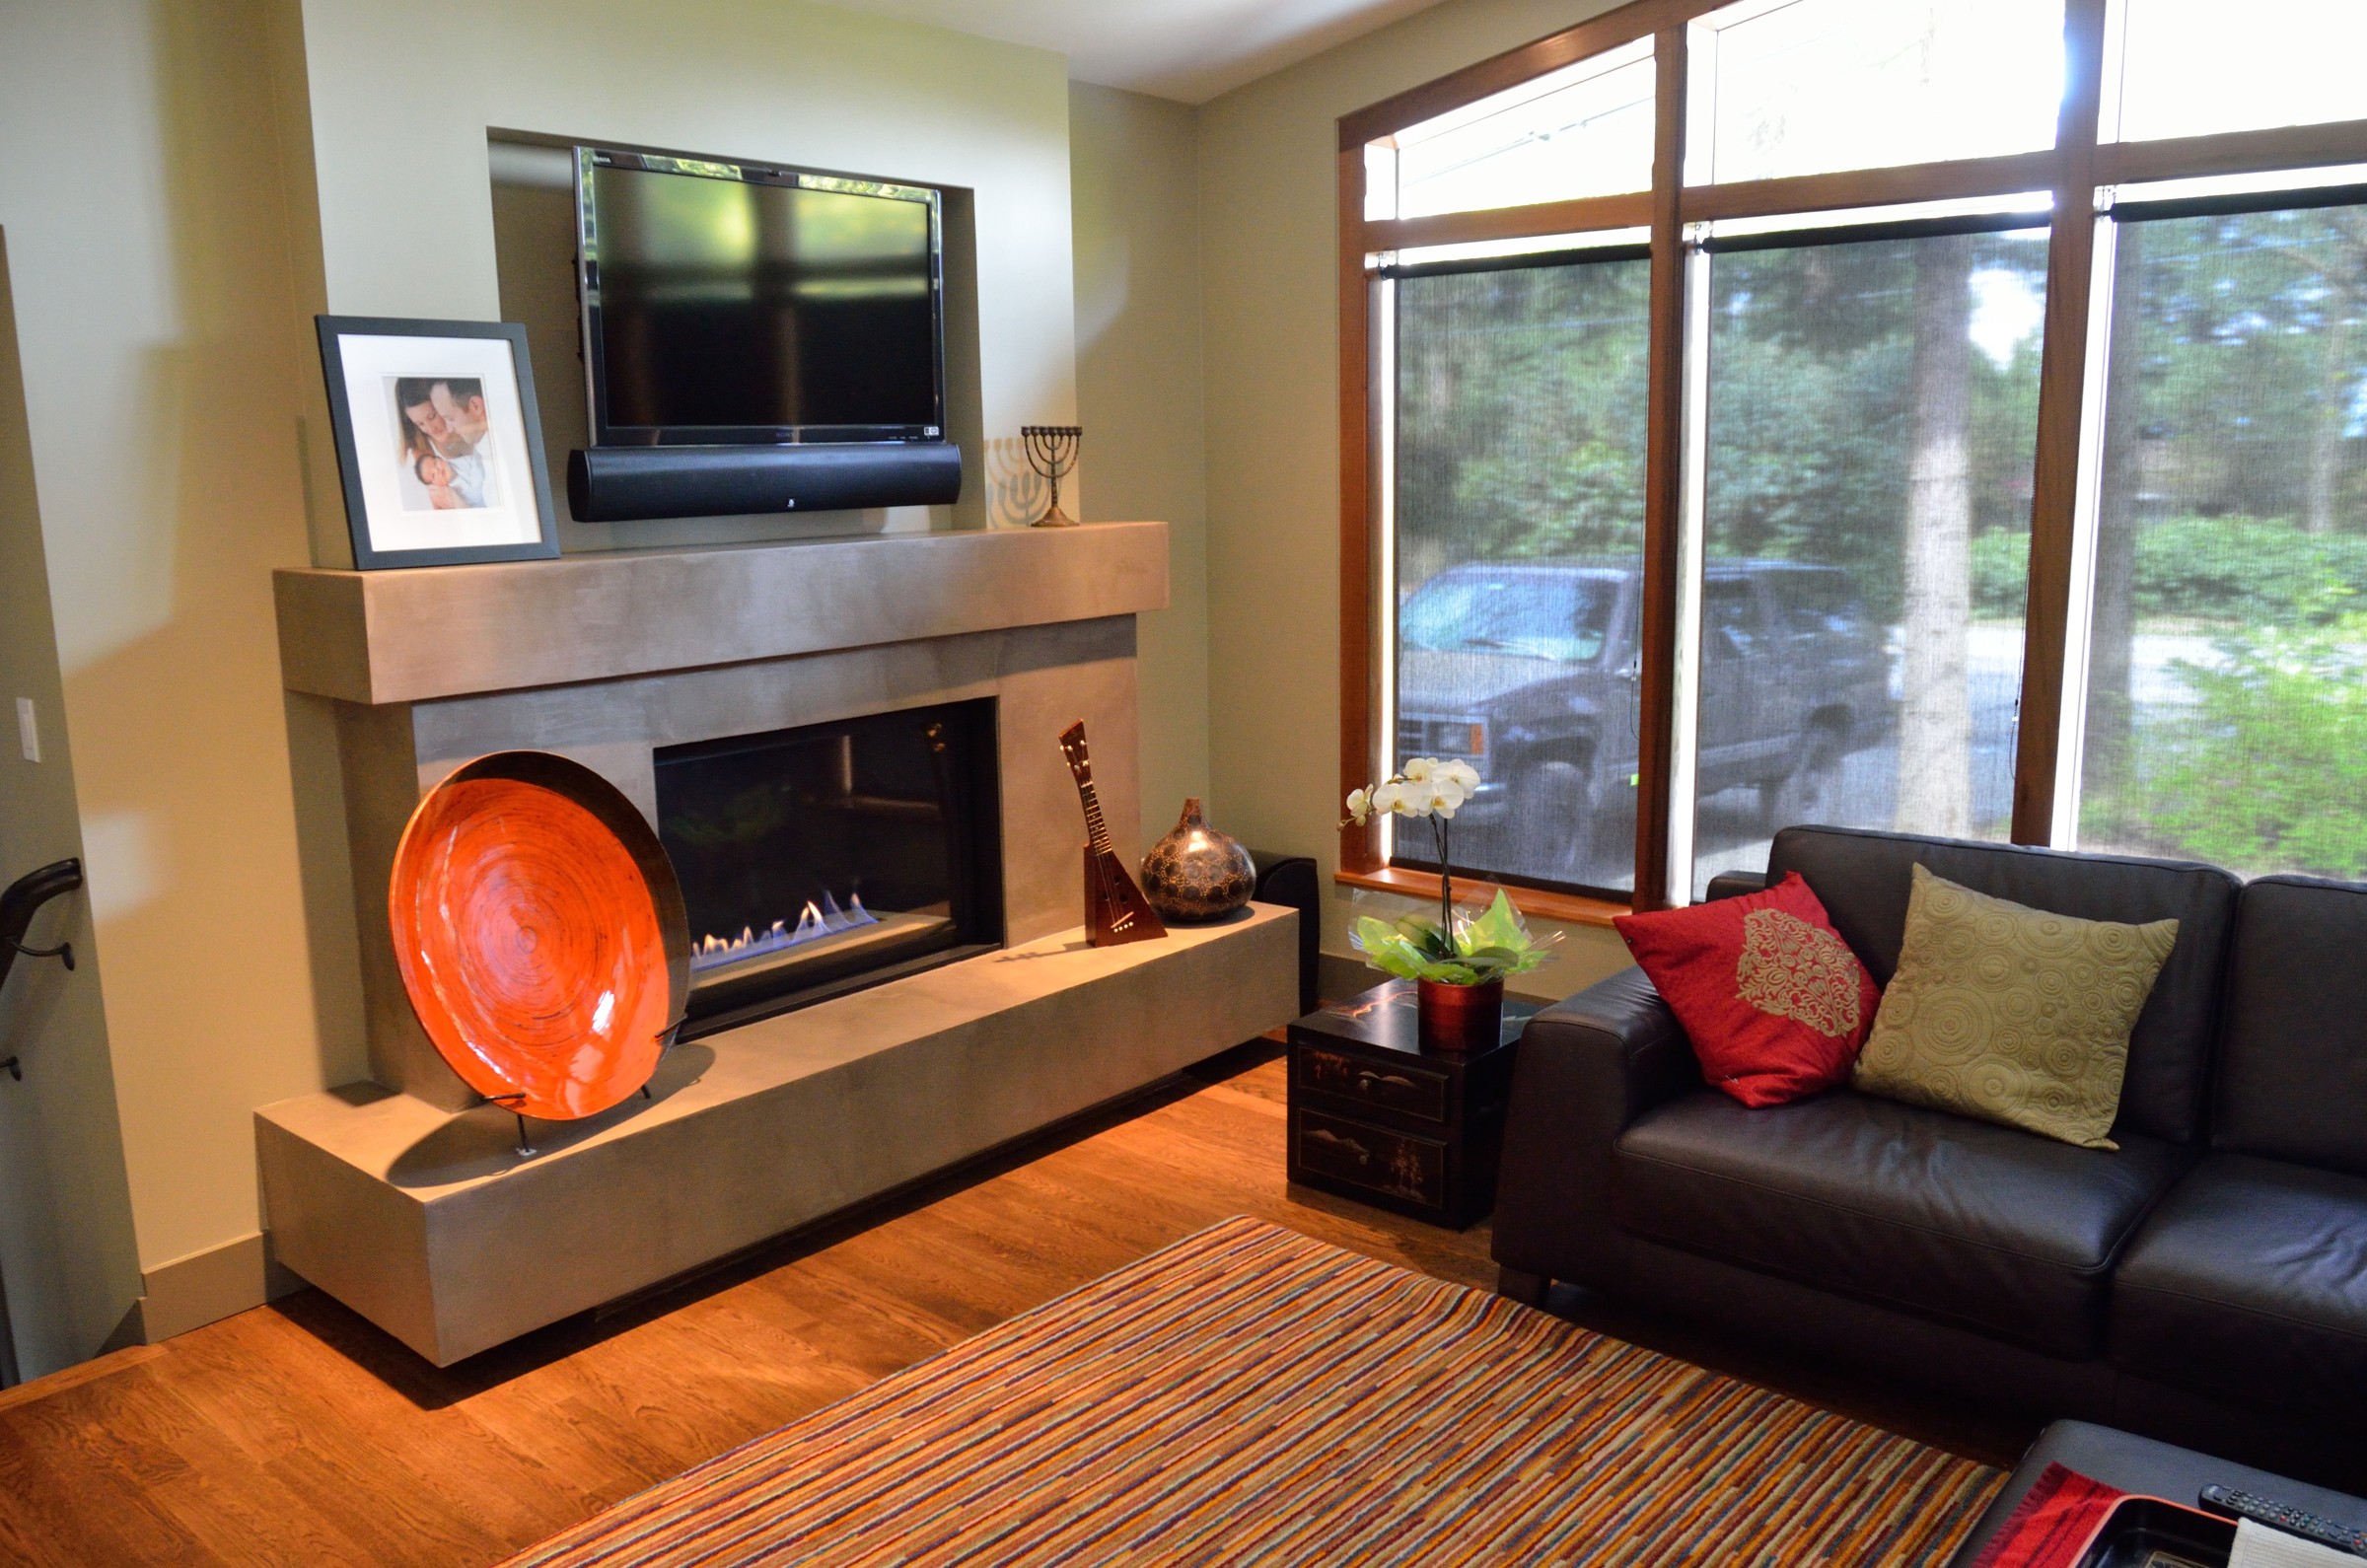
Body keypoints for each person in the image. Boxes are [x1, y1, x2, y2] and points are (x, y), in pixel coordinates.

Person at [394, 376, 498, 508]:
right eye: (420, 424)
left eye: (432, 417)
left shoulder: (475, 425)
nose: (431, 429)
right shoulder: (425, 455)